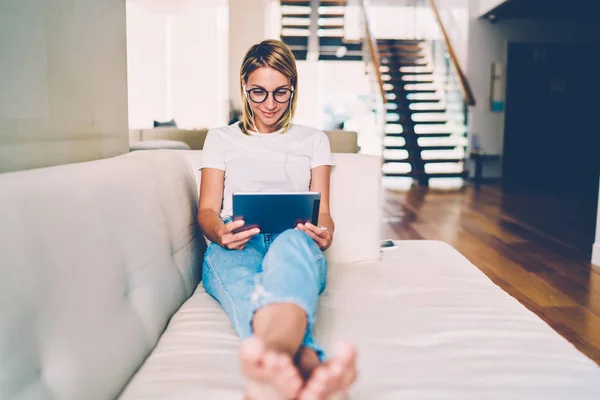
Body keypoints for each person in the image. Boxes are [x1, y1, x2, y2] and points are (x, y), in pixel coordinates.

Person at [197, 39, 357, 399]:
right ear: (243, 86)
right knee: (241, 279)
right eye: (258, 92)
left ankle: (270, 370)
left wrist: (324, 233)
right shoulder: (220, 139)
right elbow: (207, 211)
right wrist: (221, 234)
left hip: (294, 237)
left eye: (280, 93)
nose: (269, 104)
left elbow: (324, 212)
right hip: (237, 243)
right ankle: (307, 365)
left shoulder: (314, 140)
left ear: (293, 90)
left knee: (290, 251)